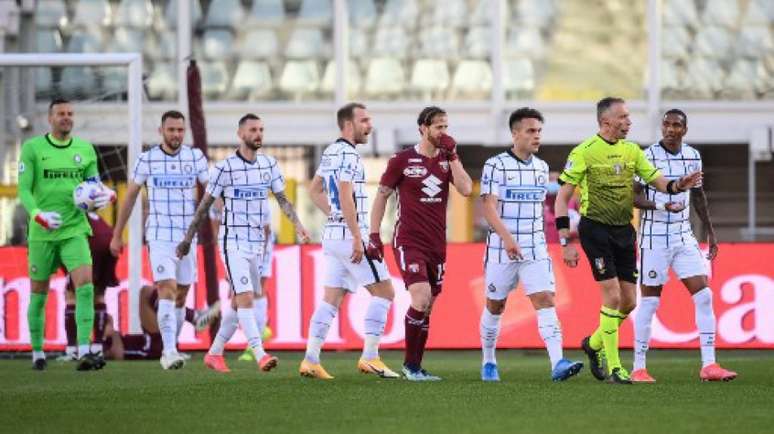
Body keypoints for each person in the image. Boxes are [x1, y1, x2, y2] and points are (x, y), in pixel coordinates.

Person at [555, 97, 702, 384]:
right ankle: (615, 368)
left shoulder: (632, 150)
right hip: (595, 230)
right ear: (606, 121)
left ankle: (594, 344)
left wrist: (677, 186)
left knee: (629, 302)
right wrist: (565, 241)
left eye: (628, 116)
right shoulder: (584, 152)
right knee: (611, 297)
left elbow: (658, 182)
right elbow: (562, 198)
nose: (629, 121)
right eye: (623, 117)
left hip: (624, 231)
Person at [177, 113, 310, 374]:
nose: (258, 134)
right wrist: (187, 238)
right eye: (253, 130)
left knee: (239, 304)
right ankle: (260, 353)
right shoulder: (224, 168)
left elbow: (283, 199)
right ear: (240, 134)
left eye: (261, 129)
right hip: (232, 242)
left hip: (257, 245)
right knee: (246, 297)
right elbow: (204, 206)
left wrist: (298, 225)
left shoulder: (269, 165)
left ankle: (214, 353)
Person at [478, 108, 584, 382]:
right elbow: (488, 208)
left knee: (545, 299)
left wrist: (563, 240)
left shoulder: (541, 167)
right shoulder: (496, 164)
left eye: (539, 131)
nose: (537, 136)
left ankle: (557, 363)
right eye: (530, 131)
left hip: (535, 246)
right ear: (515, 133)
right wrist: (508, 239)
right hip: (502, 246)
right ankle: (489, 360)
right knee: (495, 305)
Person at [631, 109, 737, 382]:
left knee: (704, 296)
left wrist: (711, 232)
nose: (669, 129)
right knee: (651, 302)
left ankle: (709, 365)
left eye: (676, 125)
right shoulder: (647, 156)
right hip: (654, 237)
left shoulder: (693, 156)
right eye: (666, 124)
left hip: (683, 235)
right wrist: (661, 204)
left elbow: (698, 196)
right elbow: (633, 197)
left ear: (684, 130)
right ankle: (639, 367)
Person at [368, 106, 473, 381]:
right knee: (421, 297)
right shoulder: (402, 160)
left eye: (446, 127)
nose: (443, 132)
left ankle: (415, 366)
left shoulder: (447, 160)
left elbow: (466, 189)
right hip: (408, 240)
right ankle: (410, 367)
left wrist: (453, 156)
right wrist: (374, 234)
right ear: (423, 129)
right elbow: (381, 196)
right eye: (438, 127)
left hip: (437, 243)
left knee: (429, 305)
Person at [299, 102, 400, 380]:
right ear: (348, 125)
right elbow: (345, 194)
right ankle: (370, 356)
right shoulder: (349, 155)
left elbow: (314, 190)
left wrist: (335, 218)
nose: (370, 125)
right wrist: (357, 235)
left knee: (331, 299)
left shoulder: (331, 151)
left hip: (332, 236)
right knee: (386, 293)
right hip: (350, 237)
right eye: (364, 120)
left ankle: (311, 359)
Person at [17, 98, 115, 371]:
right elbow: (24, 189)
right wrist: (38, 214)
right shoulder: (33, 148)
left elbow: (94, 184)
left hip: (74, 229)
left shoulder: (85, 149)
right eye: (61, 113)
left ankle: (83, 349)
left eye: (70, 113)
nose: (66, 117)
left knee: (85, 286)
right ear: (50, 118)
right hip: (42, 232)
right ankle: (37, 352)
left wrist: (106, 195)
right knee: (39, 292)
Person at [110, 110, 209, 370]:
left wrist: (221, 216)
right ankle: (168, 351)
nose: (176, 134)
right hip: (159, 234)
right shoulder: (147, 159)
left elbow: (210, 192)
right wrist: (117, 234)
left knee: (181, 295)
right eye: (171, 130)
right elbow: (130, 196)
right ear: (161, 131)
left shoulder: (195, 157)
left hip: (187, 236)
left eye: (180, 130)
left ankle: (173, 346)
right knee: (167, 288)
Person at [102, 285, 220, 361]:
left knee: (147, 292)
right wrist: (113, 333)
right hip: (152, 347)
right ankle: (194, 317)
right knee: (145, 293)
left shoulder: (95, 341)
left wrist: (108, 325)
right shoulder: (98, 349)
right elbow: (118, 355)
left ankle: (194, 317)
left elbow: (109, 319)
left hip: (150, 339)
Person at [59, 213, 118, 361]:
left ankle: (72, 349)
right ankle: (97, 348)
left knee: (72, 295)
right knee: (98, 294)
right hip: (107, 236)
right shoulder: (98, 209)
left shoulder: (73, 206)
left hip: (86, 237)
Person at [238, 225, 275, 362]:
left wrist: (261, 253)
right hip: (236, 242)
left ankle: (254, 343)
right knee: (240, 294)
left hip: (258, 241)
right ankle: (261, 332)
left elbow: (265, 225)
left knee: (256, 289)